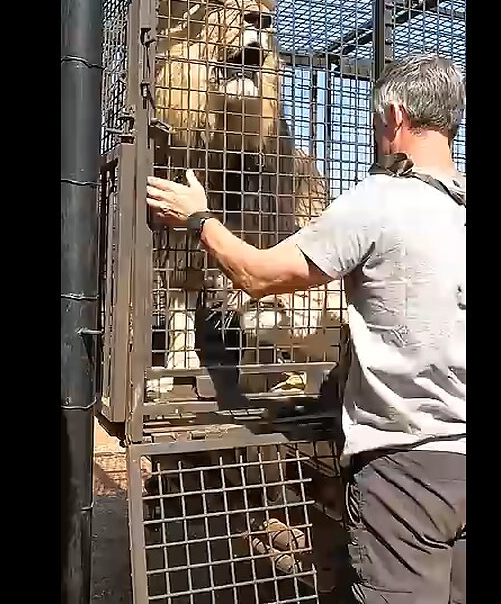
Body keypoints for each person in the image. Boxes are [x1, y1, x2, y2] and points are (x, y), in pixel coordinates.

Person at [146, 52, 466, 603]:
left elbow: (259, 275)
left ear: (393, 115)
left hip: (405, 467)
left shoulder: (378, 199)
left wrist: (199, 218)